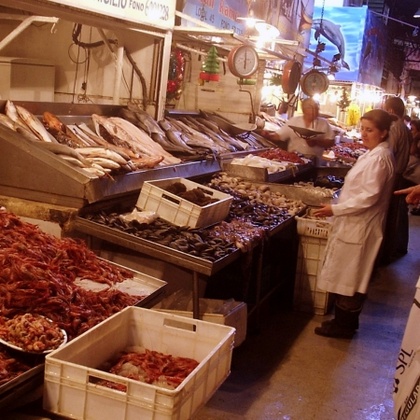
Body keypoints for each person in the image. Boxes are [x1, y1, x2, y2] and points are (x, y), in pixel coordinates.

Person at [312, 109, 396, 338]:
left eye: (370, 130)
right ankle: (342, 321)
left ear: (384, 132)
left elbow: (369, 197)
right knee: (346, 276)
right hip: (353, 223)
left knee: (351, 277)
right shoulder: (374, 154)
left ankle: (345, 326)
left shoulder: (380, 158)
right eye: (362, 129)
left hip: (360, 225)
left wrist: (335, 209)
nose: (364, 134)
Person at [378, 96, 412, 264]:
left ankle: (386, 253)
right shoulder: (405, 128)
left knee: (390, 214)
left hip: (394, 176)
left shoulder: (395, 129)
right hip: (401, 174)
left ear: (390, 110)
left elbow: (388, 153)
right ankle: (398, 247)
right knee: (398, 212)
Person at [261, 98, 335, 163]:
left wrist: (317, 142)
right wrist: (268, 135)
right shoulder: (294, 121)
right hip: (295, 160)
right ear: (304, 109)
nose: (315, 110)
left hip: (315, 162)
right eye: (310, 108)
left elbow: (331, 142)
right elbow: (279, 135)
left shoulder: (324, 123)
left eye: (316, 108)